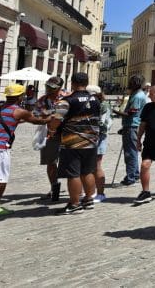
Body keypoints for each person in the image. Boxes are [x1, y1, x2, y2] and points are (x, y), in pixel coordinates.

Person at [0, 83, 48, 218]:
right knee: (0, 179)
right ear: (20, 96)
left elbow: (11, 120)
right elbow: (36, 121)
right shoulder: (19, 110)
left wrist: (22, 120)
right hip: (0, 148)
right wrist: (50, 118)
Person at [48, 73, 102, 214]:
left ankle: (75, 204)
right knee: (87, 171)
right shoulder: (96, 99)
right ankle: (88, 200)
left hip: (72, 142)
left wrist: (52, 129)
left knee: (73, 174)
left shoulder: (66, 101)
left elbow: (56, 120)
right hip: (91, 142)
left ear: (72, 83)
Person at [35, 76, 65, 201]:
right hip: (49, 135)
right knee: (51, 162)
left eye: (52, 88)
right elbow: (36, 115)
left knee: (71, 162)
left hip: (67, 134)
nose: (48, 89)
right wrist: (45, 116)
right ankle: (54, 188)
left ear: (59, 88)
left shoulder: (66, 98)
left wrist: (49, 114)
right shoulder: (43, 99)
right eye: (48, 86)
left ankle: (77, 190)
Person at [117, 75, 147, 186]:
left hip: (132, 126)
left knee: (130, 153)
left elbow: (131, 113)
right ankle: (134, 174)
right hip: (130, 125)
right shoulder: (135, 94)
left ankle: (131, 177)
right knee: (131, 151)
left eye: (130, 83)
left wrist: (115, 112)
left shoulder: (137, 96)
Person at [87, 85, 113, 202]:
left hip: (99, 137)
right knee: (90, 166)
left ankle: (101, 193)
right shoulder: (94, 104)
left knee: (97, 165)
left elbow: (104, 124)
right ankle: (91, 191)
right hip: (91, 137)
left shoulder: (103, 105)